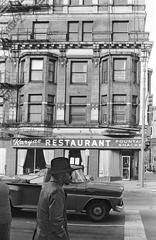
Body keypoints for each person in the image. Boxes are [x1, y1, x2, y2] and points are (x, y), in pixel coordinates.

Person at [36, 157, 76, 240]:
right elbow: (56, 222)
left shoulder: (46, 187)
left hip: (42, 235)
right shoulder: (57, 191)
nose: (71, 176)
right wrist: (64, 238)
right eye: (69, 173)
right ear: (62, 175)